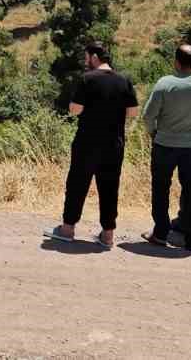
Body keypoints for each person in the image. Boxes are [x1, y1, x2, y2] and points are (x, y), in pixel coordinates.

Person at [46, 43, 136, 248]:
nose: (86, 61)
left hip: (87, 141)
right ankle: (107, 235)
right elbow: (132, 112)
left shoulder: (87, 79)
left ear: (94, 57)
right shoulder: (124, 80)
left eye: (87, 57)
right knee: (110, 187)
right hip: (114, 143)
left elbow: (75, 110)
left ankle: (67, 229)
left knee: (77, 184)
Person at [140, 44, 191, 253]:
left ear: (176, 62)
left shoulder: (165, 84)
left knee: (160, 189)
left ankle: (160, 233)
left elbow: (148, 116)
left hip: (165, 145)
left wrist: (154, 133)